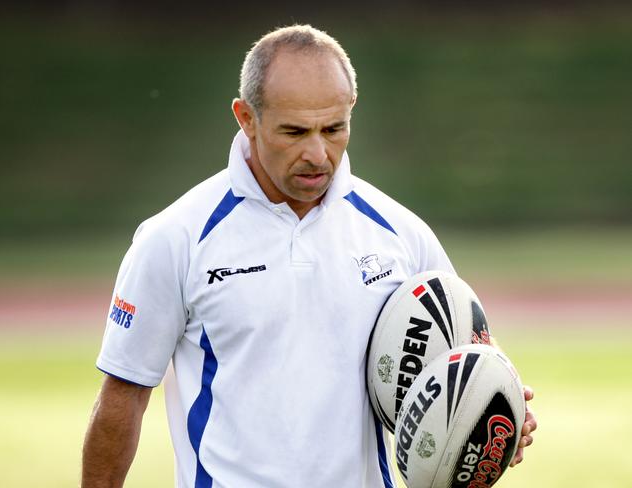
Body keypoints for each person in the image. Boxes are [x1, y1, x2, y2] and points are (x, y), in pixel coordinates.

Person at [82, 24, 536, 488]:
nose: (318, 153)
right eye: (294, 131)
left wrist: (500, 405)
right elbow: (123, 399)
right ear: (246, 118)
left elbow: (470, 349)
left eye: (334, 128)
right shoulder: (175, 238)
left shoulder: (400, 232)